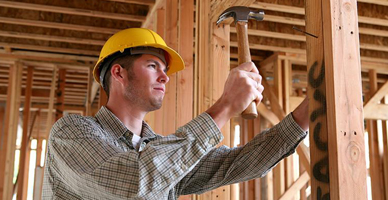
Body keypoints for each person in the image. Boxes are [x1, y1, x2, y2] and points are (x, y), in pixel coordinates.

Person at [42, 28, 309, 199]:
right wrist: (225, 106)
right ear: (118, 72)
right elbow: (134, 184)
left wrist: (308, 111)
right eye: (152, 65)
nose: (165, 77)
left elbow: (238, 163)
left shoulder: (161, 151)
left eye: (165, 70)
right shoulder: (71, 132)